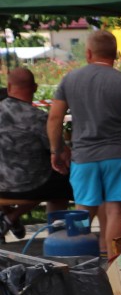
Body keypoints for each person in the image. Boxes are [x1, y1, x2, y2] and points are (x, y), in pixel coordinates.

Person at [45, 30, 121, 259]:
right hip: (118, 155)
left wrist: (56, 150)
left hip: (84, 157)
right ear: (115, 54)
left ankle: (79, 262)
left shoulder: (70, 79)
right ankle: (113, 265)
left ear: (89, 53)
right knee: (116, 210)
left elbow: (54, 119)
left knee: (83, 210)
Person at [0, 67, 72, 238]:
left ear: (9, 87)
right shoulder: (39, 118)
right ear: (35, 88)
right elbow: (59, 151)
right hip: (30, 185)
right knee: (63, 184)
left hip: (1, 183)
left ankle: (9, 217)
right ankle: (54, 234)